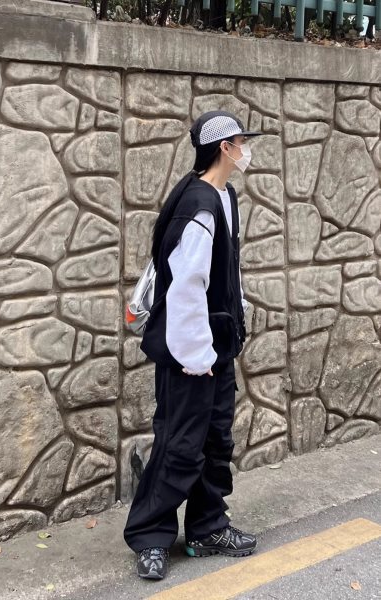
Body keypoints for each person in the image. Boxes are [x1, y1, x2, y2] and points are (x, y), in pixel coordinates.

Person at [124, 110, 264, 580]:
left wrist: (236, 313)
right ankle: (150, 536)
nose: (245, 149)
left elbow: (225, 269)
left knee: (215, 440)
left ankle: (207, 528)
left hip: (216, 346)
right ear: (224, 147)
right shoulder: (199, 204)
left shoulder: (224, 197)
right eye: (241, 141)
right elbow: (185, 286)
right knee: (180, 444)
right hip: (190, 353)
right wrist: (196, 356)